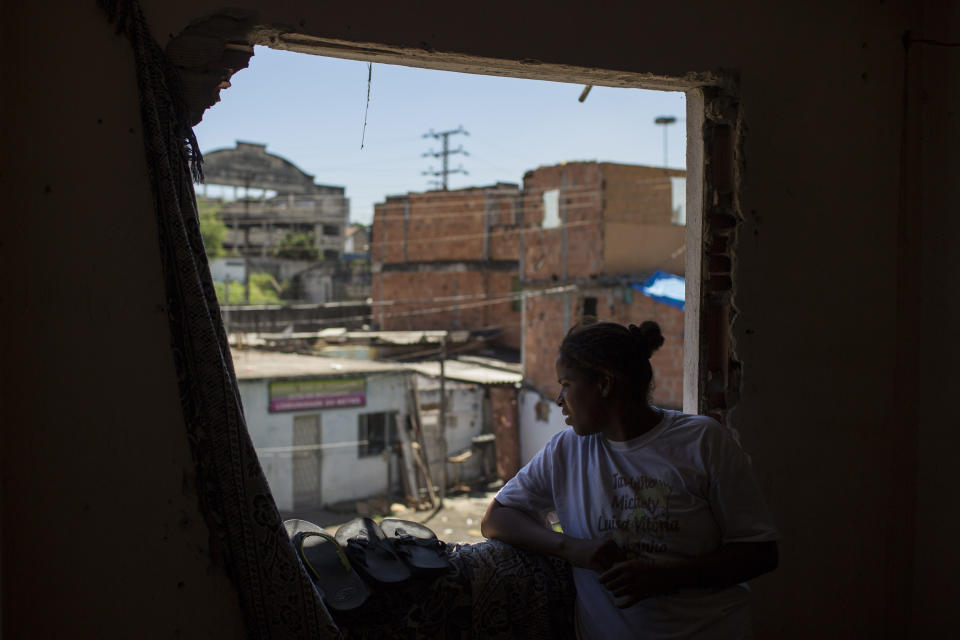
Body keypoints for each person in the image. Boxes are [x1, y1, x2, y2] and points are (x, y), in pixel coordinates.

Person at [481, 320, 779, 639]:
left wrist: (666, 577)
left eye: (567, 384)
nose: (558, 399)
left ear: (605, 384)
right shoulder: (566, 451)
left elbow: (760, 553)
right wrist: (572, 548)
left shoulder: (702, 442)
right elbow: (496, 519)